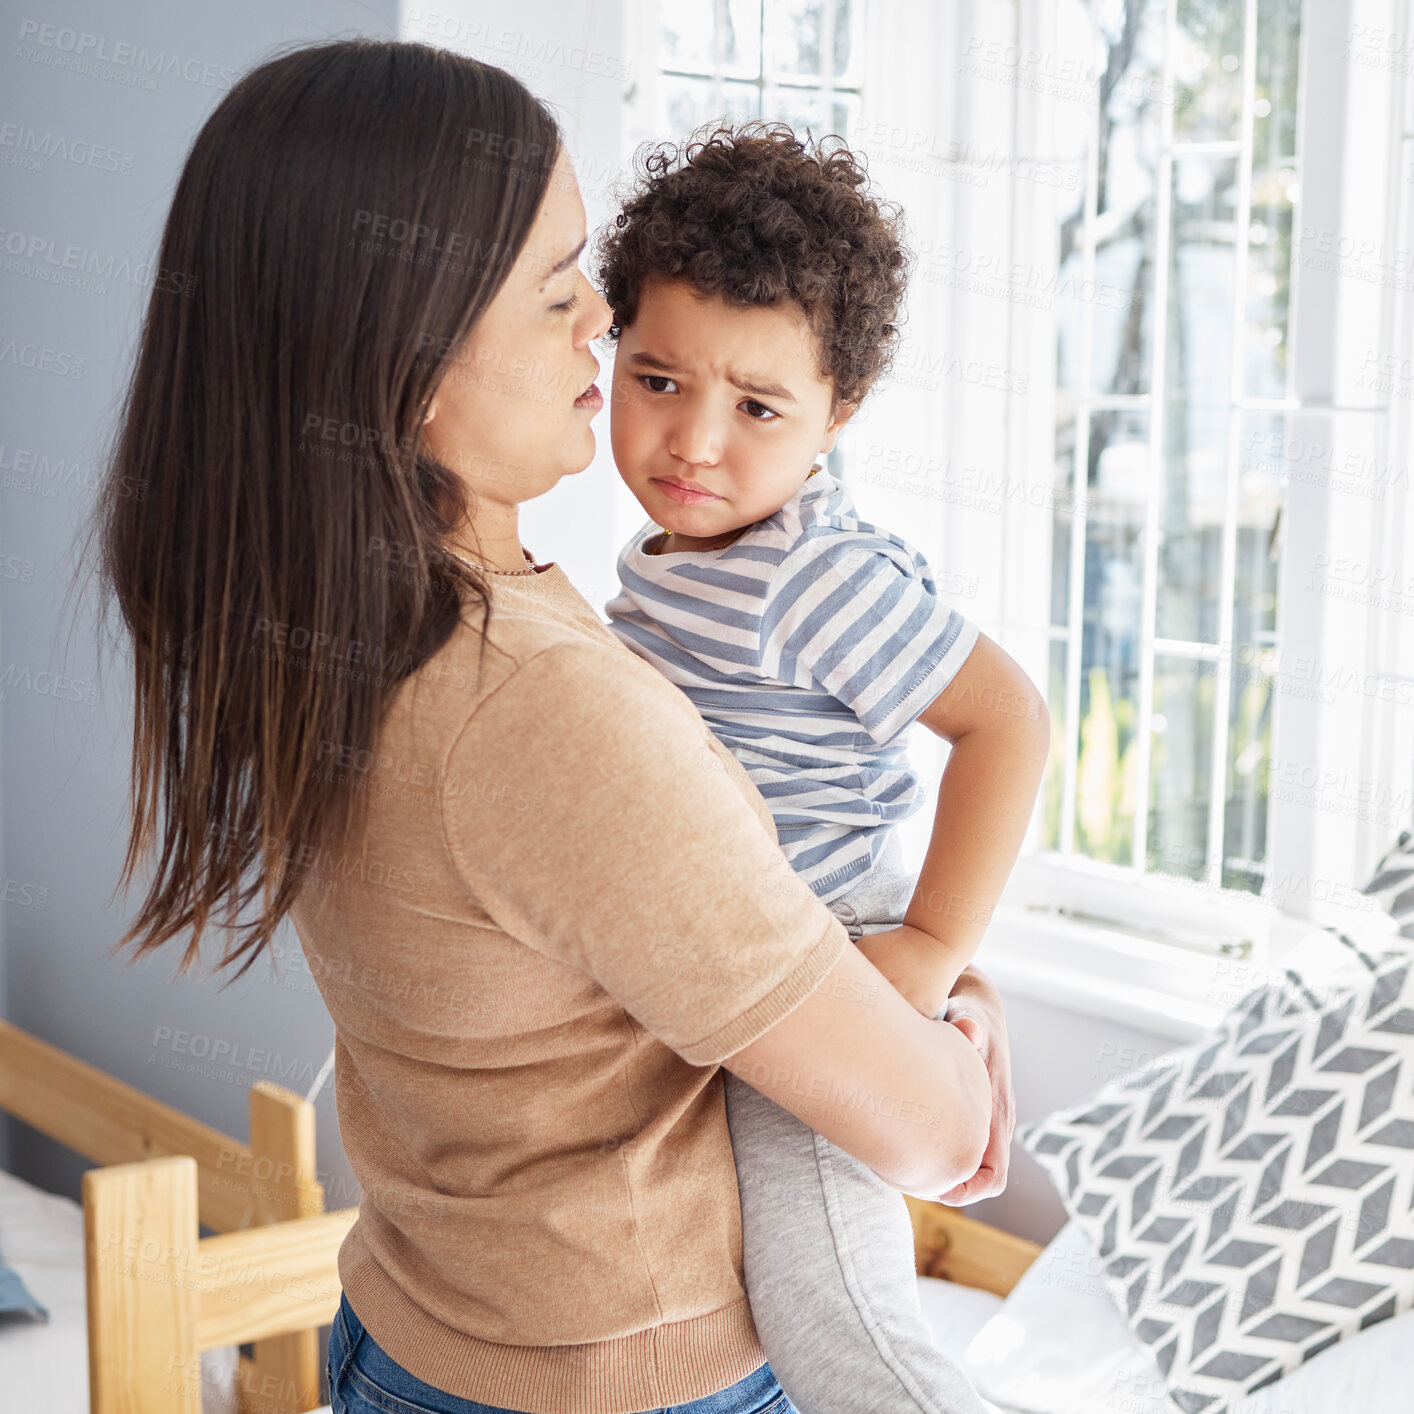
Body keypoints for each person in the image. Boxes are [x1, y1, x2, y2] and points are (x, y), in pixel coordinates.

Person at [87, 38, 1017, 1414]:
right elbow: (935, 1136)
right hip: (614, 1371)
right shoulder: (534, 706)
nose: (603, 317)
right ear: (405, 373)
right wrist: (958, 1009)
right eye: (551, 293)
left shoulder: (332, 623)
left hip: (419, 1318)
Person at [597, 124, 1051, 1414]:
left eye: (757, 407)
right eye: (658, 378)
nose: (693, 441)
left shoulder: (814, 571)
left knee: (834, 1329)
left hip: (820, 963)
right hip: (725, 960)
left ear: (837, 418)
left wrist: (926, 946)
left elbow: (1006, 719)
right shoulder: (674, 556)